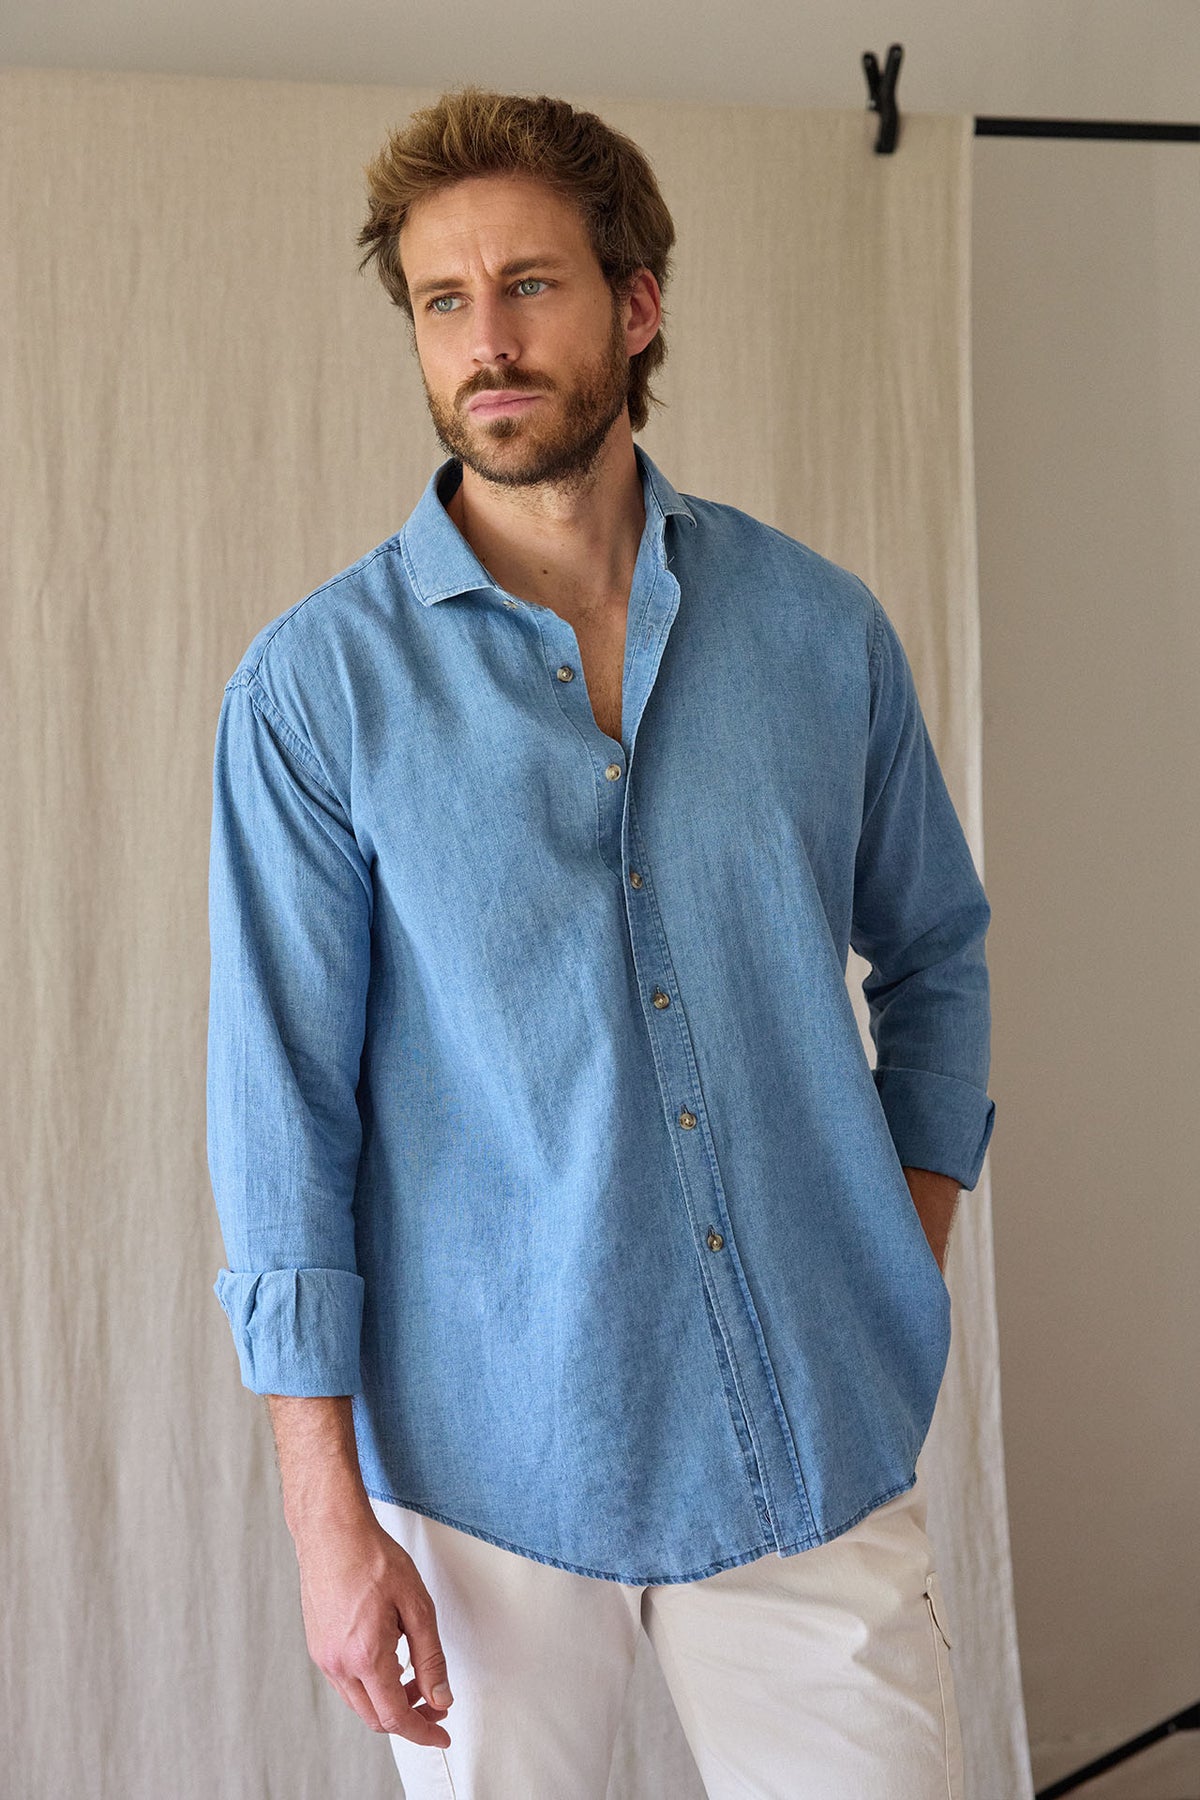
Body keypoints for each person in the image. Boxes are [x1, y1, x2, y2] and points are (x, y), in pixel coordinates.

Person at [206, 85, 994, 1800]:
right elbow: (282, 1116)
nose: (485, 341)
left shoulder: (819, 634)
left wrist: (893, 1245)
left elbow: (938, 954)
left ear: (636, 306)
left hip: (808, 1439)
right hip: (487, 1473)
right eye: (442, 300)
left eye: (530, 286)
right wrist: (329, 1522)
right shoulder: (316, 694)